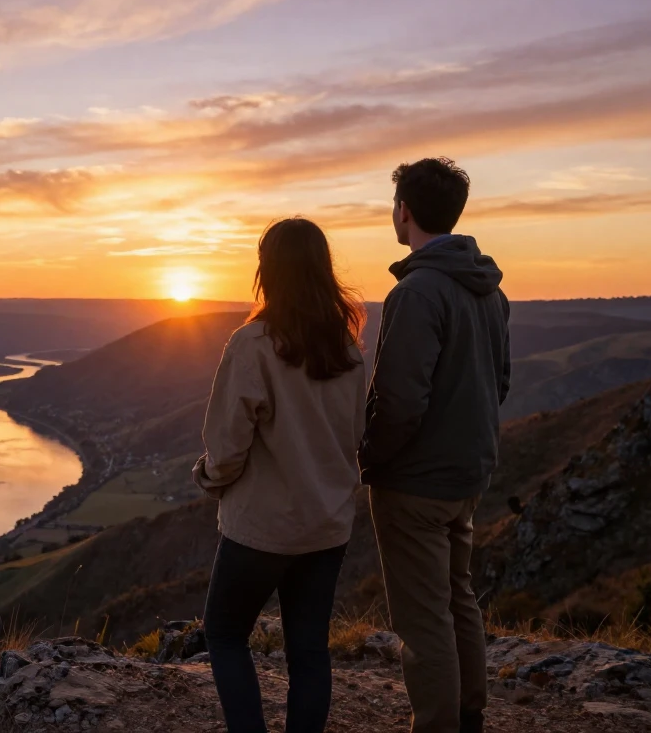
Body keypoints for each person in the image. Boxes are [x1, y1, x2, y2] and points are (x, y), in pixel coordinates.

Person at [193, 217, 367, 733]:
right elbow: (354, 433)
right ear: (323, 270)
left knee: (224, 634)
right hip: (327, 524)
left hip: (262, 528)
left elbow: (226, 446)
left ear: (267, 271)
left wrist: (208, 477)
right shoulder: (347, 348)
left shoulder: (253, 344)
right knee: (309, 651)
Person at [359, 158, 510, 733]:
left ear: (404, 211)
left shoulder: (418, 292)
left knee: (423, 620)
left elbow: (399, 402)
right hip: (467, 475)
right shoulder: (490, 291)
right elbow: (499, 383)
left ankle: (439, 725)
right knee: (457, 597)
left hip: (414, 482)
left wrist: (369, 457)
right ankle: (470, 713)